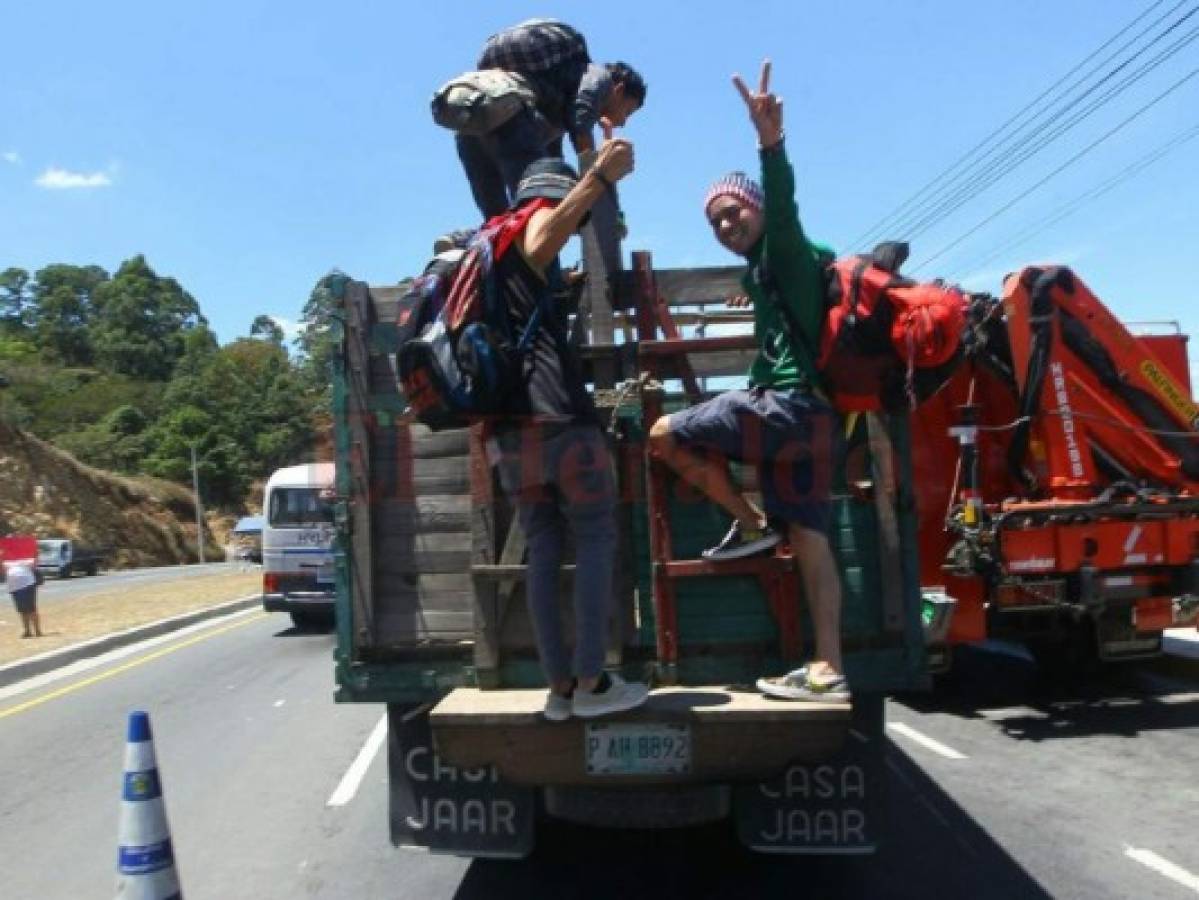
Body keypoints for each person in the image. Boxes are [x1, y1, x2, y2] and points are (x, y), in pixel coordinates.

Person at [647, 61, 848, 703]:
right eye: (715, 223)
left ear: (755, 209)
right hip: (818, 422)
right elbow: (785, 279)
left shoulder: (783, 246)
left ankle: (750, 521)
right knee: (813, 541)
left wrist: (770, 142)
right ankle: (827, 666)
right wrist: (753, 300)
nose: (725, 226)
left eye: (732, 214)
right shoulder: (774, 269)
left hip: (784, 408)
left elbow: (783, 208)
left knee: (661, 432)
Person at [487, 124, 649, 722]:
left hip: (509, 432)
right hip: (555, 418)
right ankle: (591, 683)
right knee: (598, 535)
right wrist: (599, 178)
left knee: (544, 546)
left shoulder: (489, 248)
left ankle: (559, 689)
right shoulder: (531, 225)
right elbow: (545, 234)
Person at [457, 18, 647, 218]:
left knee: (496, 217)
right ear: (619, 89)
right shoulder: (599, 76)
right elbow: (582, 118)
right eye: (627, 111)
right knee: (533, 212)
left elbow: (551, 163)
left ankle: (463, 240)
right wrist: (595, 177)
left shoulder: (553, 101)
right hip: (512, 121)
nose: (623, 121)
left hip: (472, 122)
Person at [3, 557, 43, 638]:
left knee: (31, 608)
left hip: (27, 584)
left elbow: (35, 563)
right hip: (13, 587)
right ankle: (27, 631)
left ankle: (37, 630)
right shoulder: (6, 557)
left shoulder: (25, 555)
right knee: (21, 610)